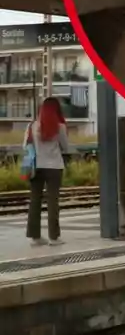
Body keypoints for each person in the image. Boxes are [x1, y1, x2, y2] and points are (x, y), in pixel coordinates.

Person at [25, 99, 73, 247]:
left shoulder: (32, 126)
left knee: (35, 200)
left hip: (36, 167)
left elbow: (25, 146)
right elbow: (65, 147)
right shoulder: (60, 127)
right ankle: (54, 237)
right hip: (54, 167)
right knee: (53, 202)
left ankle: (35, 236)